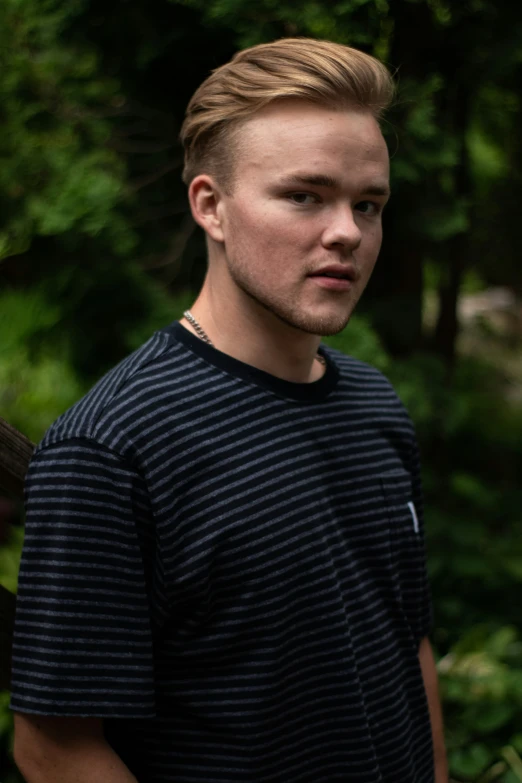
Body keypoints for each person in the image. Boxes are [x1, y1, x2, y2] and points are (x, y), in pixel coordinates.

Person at [10, 37, 447, 783]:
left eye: (367, 204)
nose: (346, 231)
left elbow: (408, 640)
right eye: (305, 195)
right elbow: (53, 745)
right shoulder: (111, 447)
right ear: (210, 205)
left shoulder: (373, 402)